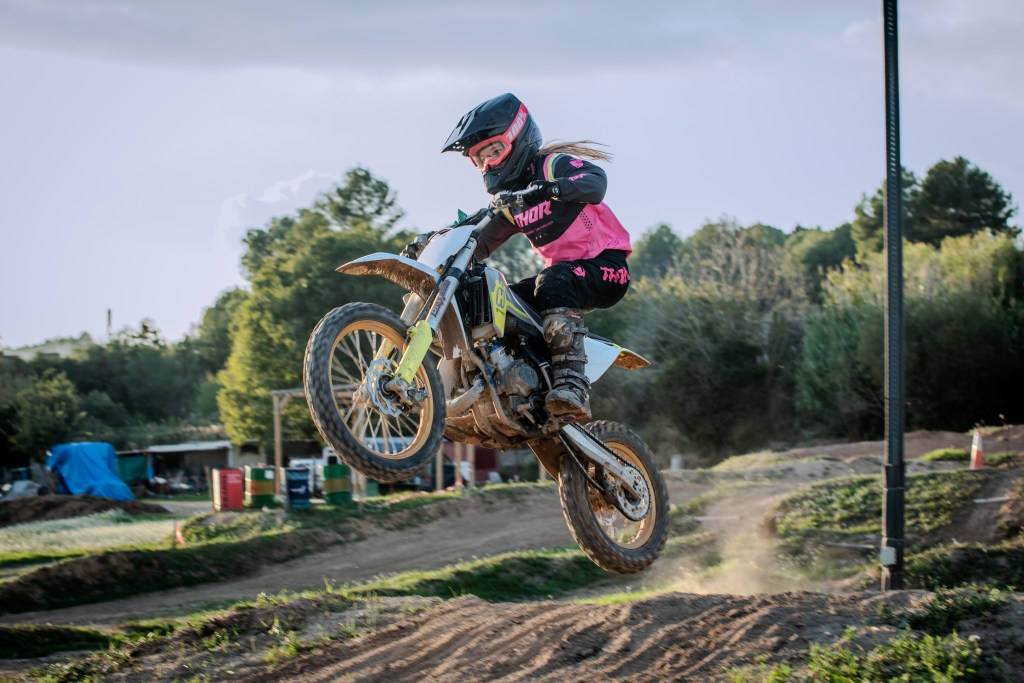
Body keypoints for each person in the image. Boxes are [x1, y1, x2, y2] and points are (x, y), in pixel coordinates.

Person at [441, 93, 632, 422]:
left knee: (553, 279)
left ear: (518, 138)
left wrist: (552, 188)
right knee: (499, 300)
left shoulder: (552, 166)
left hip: (606, 268)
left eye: (494, 151)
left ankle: (572, 384)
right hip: (562, 277)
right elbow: (479, 244)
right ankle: (523, 382)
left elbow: (595, 182)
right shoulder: (512, 203)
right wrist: (443, 245)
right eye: (480, 159)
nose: (489, 164)